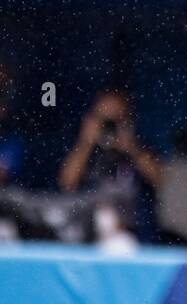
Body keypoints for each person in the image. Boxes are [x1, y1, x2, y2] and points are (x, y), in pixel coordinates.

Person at [58, 89, 161, 239]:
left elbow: (161, 182)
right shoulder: (87, 152)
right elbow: (67, 183)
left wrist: (131, 147)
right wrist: (86, 142)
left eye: (116, 121)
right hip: (87, 231)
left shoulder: (140, 150)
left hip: (130, 235)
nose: (109, 128)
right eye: (104, 120)